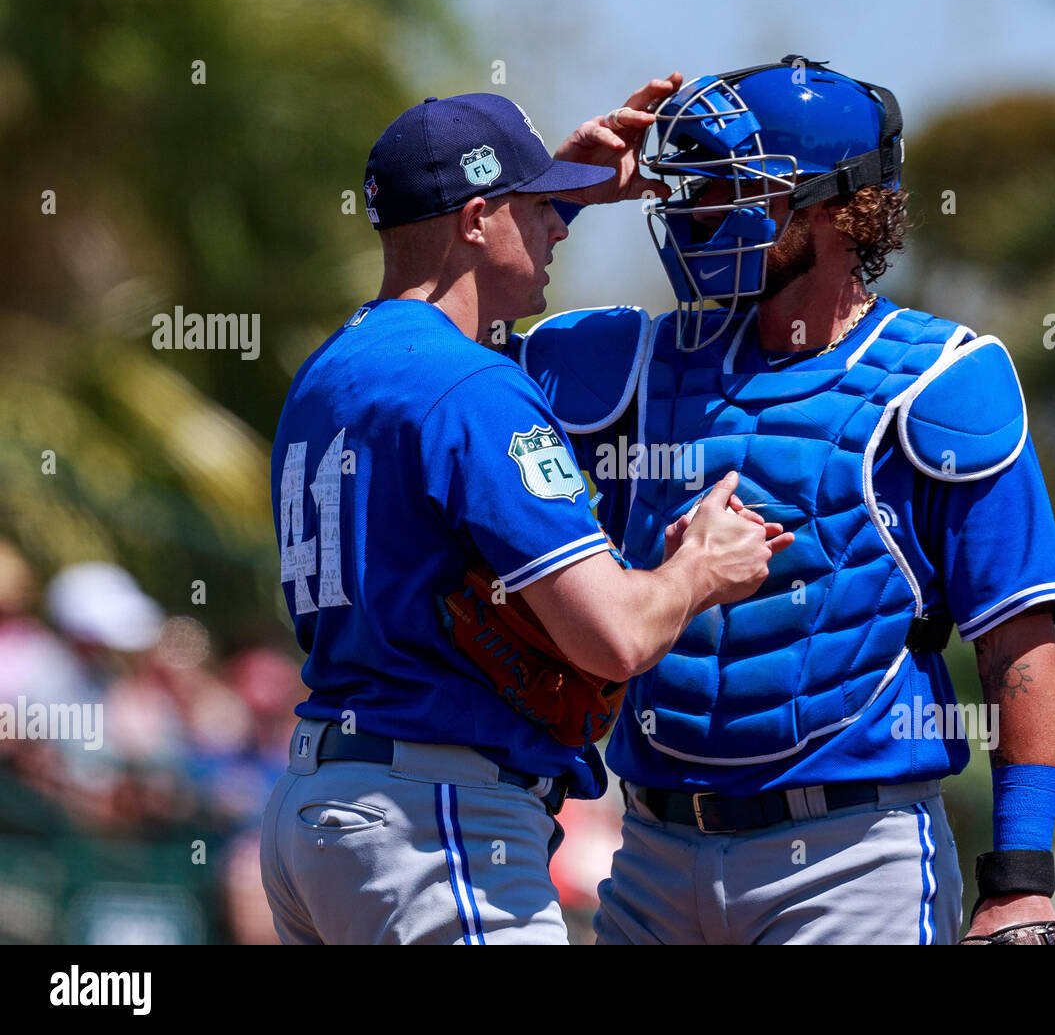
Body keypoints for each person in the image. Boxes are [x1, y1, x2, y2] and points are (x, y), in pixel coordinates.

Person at [522, 56, 1055, 944]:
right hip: (654, 850)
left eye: (726, 190)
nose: (689, 212)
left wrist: (1019, 883)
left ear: (830, 206)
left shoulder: (942, 380)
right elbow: (430, 369)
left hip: (851, 858)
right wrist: (554, 197)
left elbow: (1018, 645)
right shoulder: (632, 360)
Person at [258, 89, 789, 945]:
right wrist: (700, 568)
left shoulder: (331, 371)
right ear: (476, 218)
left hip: (319, 814)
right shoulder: (474, 389)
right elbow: (611, 638)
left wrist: (564, 184)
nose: (561, 228)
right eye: (541, 208)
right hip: (434, 822)